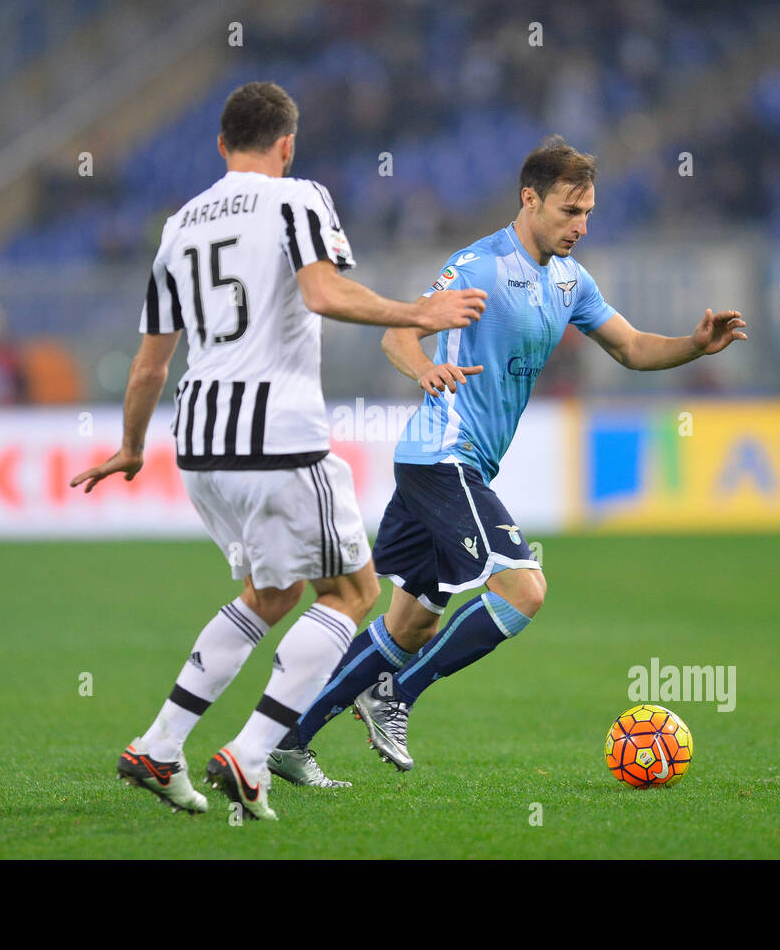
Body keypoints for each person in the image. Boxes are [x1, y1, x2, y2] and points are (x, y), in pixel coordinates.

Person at [270, 135, 746, 784]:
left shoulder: (570, 280)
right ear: (530, 199)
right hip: (444, 458)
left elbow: (631, 347)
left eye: (587, 213)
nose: (580, 226)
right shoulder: (480, 265)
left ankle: (288, 740)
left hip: (453, 464)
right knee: (523, 589)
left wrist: (693, 344)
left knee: (410, 621)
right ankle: (396, 695)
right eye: (568, 211)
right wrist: (426, 369)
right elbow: (399, 333)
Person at [69, 82, 485, 820]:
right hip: (277, 437)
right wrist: (418, 311)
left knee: (269, 594)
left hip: (197, 442)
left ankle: (159, 745)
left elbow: (149, 365)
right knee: (353, 593)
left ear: (221, 145)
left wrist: (131, 446)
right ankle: (254, 752)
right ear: (287, 144)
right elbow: (323, 293)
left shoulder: (178, 227)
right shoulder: (298, 197)